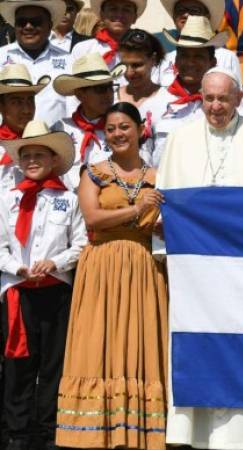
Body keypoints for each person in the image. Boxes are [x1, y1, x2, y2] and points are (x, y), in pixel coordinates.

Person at [158, 67, 243, 449]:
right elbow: (167, 206)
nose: (216, 107)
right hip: (197, 274)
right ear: (200, 98)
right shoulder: (180, 139)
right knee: (197, 346)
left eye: (223, 98)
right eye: (209, 98)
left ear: (238, 99)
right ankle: (193, 433)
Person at [56, 101, 168, 449]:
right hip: (103, 265)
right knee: (99, 341)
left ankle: (139, 431)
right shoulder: (94, 172)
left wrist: (161, 223)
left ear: (140, 130)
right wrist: (137, 209)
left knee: (141, 339)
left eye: (125, 127)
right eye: (112, 128)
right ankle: (95, 431)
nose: (118, 133)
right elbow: (91, 218)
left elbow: (165, 223)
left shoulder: (159, 176)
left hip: (144, 266)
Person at [0, 119, 87, 450]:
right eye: (27, 155)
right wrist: (18, 268)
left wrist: (56, 262)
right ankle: (17, 433)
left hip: (55, 293)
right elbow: (1, 246)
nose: (33, 160)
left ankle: (49, 430)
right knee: (19, 363)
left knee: (53, 363)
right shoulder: (6, 199)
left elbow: (79, 243)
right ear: (19, 162)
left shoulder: (69, 199)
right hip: (18, 294)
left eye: (40, 154)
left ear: (54, 160)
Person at [153, 15, 223, 165]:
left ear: (213, 63)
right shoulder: (154, 104)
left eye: (198, 56)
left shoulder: (226, 107)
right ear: (176, 61)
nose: (190, 63)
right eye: (184, 56)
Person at [52, 52, 124, 189]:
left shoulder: (121, 129)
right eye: (100, 89)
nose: (108, 94)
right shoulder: (61, 129)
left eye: (110, 87)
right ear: (80, 94)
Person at [0, 0, 73, 126]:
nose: (28, 26)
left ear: (50, 25)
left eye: (36, 22)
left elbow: (75, 106)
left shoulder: (69, 60)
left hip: (55, 141)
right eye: (22, 22)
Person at [156, 0, 241, 86]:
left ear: (208, 16)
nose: (186, 15)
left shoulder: (227, 58)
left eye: (194, 10)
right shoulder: (163, 61)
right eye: (180, 10)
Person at [116, 28, 167, 166]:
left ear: (153, 60)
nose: (130, 72)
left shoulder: (169, 100)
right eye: (124, 65)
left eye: (137, 65)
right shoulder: (110, 98)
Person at [0, 64, 50, 193]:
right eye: (16, 102)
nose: (26, 110)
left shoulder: (48, 146)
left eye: (30, 101)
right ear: (1, 106)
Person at [70, 0, 146, 71]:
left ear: (135, 17)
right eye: (113, 9)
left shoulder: (146, 50)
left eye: (126, 10)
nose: (119, 15)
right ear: (102, 15)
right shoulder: (83, 49)